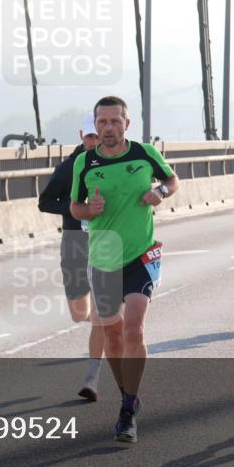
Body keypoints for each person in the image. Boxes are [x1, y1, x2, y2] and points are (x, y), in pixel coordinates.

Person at [69, 96, 179, 443]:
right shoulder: (85, 162)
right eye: (102, 122)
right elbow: (74, 208)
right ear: (95, 126)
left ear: (126, 124)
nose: (108, 128)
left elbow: (173, 181)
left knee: (134, 329)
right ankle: (127, 394)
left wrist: (159, 191)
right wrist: (90, 209)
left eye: (115, 121)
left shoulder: (144, 153)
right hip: (103, 258)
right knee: (113, 337)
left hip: (140, 256)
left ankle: (127, 409)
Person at [38, 116, 105, 401]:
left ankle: (92, 377)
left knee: (102, 313)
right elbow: (44, 202)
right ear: (81, 136)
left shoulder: (113, 164)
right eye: (89, 137)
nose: (93, 142)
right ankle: (101, 321)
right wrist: (77, 208)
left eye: (97, 136)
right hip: (75, 241)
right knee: (80, 314)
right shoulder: (69, 168)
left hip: (106, 242)